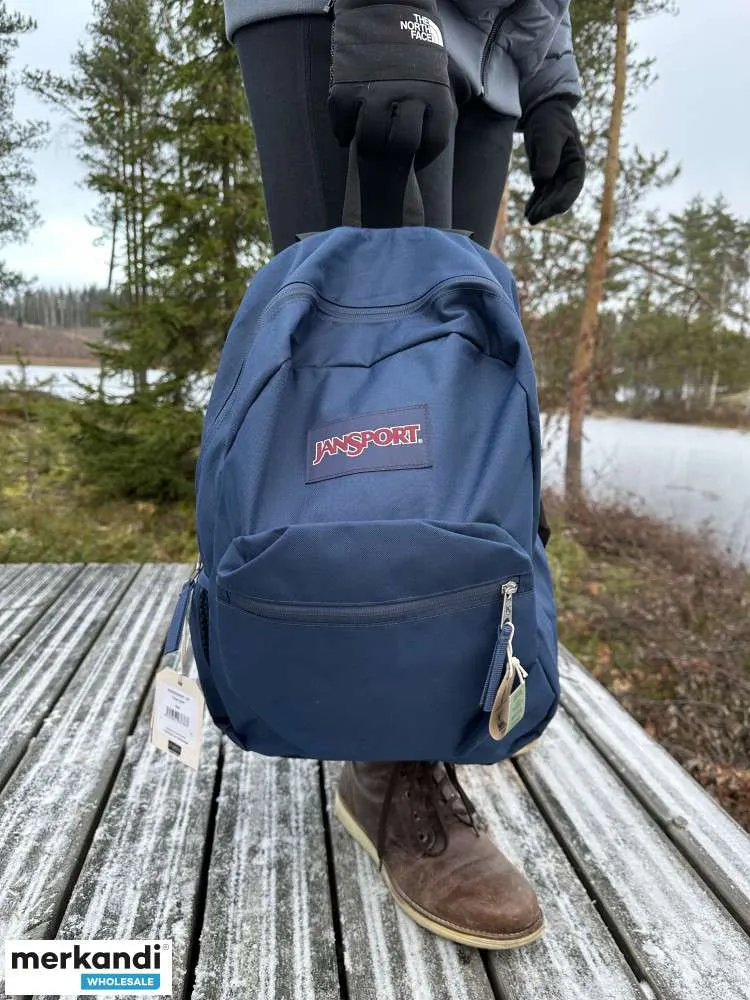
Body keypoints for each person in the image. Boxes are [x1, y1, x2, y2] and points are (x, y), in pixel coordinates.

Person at [223, 0, 585, 949]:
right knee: (338, 377)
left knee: (444, 413)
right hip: (342, 14)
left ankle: (400, 754)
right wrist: (387, 15)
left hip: (492, 45)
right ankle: (389, 761)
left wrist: (550, 81)